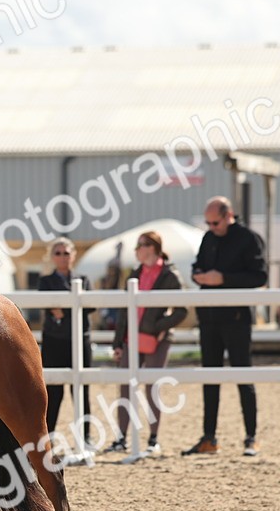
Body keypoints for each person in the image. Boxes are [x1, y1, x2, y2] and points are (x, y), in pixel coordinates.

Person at [183, 196, 267, 457]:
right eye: (208, 223)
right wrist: (198, 275)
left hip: (236, 318)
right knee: (209, 378)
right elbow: (198, 264)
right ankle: (209, 437)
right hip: (209, 317)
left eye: (215, 222)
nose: (212, 227)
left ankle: (251, 437)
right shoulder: (208, 238)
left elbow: (259, 276)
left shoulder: (248, 238)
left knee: (243, 376)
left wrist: (224, 279)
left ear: (229, 215)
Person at [104, 231, 188, 456]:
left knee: (152, 387)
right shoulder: (135, 273)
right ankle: (121, 438)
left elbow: (181, 310)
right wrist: (118, 342)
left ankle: (153, 439)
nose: (136, 250)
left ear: (152, 247)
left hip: (156, 339)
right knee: (125, 385)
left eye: (140, 245)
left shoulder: (170, 275)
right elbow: (124, 311)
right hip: (131, 338)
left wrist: (160, 327)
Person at [37, 238, 94, 454]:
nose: (63, 257)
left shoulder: (84, 279)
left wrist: (65, 310)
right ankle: (48, 437)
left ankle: (85, 436)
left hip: (80, 340)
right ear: (52, 257)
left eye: (66, 253)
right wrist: (69, 310)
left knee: (82, 391)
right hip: (54, 341)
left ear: (73, 255)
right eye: (58, 253)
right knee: (53, 392)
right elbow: (47, 305)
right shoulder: (45, 280)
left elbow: (90, 306)